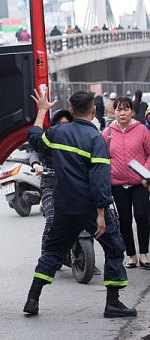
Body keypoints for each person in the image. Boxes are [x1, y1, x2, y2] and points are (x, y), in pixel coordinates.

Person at [23, 89, 137, 318]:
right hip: (88, 207)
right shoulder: (96, 139)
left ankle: (32, 299)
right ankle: (113, 303)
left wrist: (42, 111)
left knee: (53, 251)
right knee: (115, 248)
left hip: (64, 205)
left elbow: (34, 138)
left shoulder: (57, 133)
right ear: (94, 110)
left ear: (72, 110)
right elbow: (99, 179)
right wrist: (102, 212)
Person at [102, 96, 150, 269]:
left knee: (142, 216)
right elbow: (102, 158)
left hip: (139, 182)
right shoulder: (107, 133)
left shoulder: (142, 130)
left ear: (132, 111)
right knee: (124, 220)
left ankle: (144, 254)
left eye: (125, 109)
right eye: (118, 109)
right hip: (117, 183)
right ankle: (132, 256)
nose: (122, 113)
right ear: (113, 112)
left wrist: (144, 172)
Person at [30, 110, 74, 252]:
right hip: (50, 185)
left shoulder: (77, 141)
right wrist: (36, 165)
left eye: (67, 123)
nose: (63, 126)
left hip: (72, 187)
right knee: (52, 219)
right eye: (60, 124)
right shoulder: (47, 140)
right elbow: (35, 152)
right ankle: (46, 255)